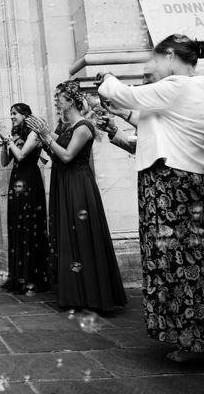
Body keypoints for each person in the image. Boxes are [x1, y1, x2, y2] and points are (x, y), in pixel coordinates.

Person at [98, 34, 204, 361]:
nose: (150, 66)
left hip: (170, 186)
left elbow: (121, 92)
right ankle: (188, 338)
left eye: (154, 59)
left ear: (170, 55)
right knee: (177, 259)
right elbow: (156, 127)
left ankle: (193, 343)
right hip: (174, 182)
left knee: (178, 262)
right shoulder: (186, 90)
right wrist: (121, 119)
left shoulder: (180, 84)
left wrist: (105, 78)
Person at [27, 80, 127, 312]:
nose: (55, 101)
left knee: (82, 234)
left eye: (59, 98)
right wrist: (43, 132)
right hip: (64, 182)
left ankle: (93, 294)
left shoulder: (83, 127)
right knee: (68, 235)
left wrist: (46, 135)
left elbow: (67, 155)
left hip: (78, 184)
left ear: (70, 101)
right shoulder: (64, 127)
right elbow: (55, 146)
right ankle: (76, 293)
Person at [0, 103, 49, 294]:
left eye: (15, 114)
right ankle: (18, 276)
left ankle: (32, 277)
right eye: (10, 113)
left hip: (29, 180)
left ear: (25, 115)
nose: (11, 117)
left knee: (30, 224)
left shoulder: (34, 133)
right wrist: (4, 144)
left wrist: (8, 139)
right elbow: (5, 161)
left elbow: (22, 155)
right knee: (18, 225)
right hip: (16, 180)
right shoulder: (14, 134)